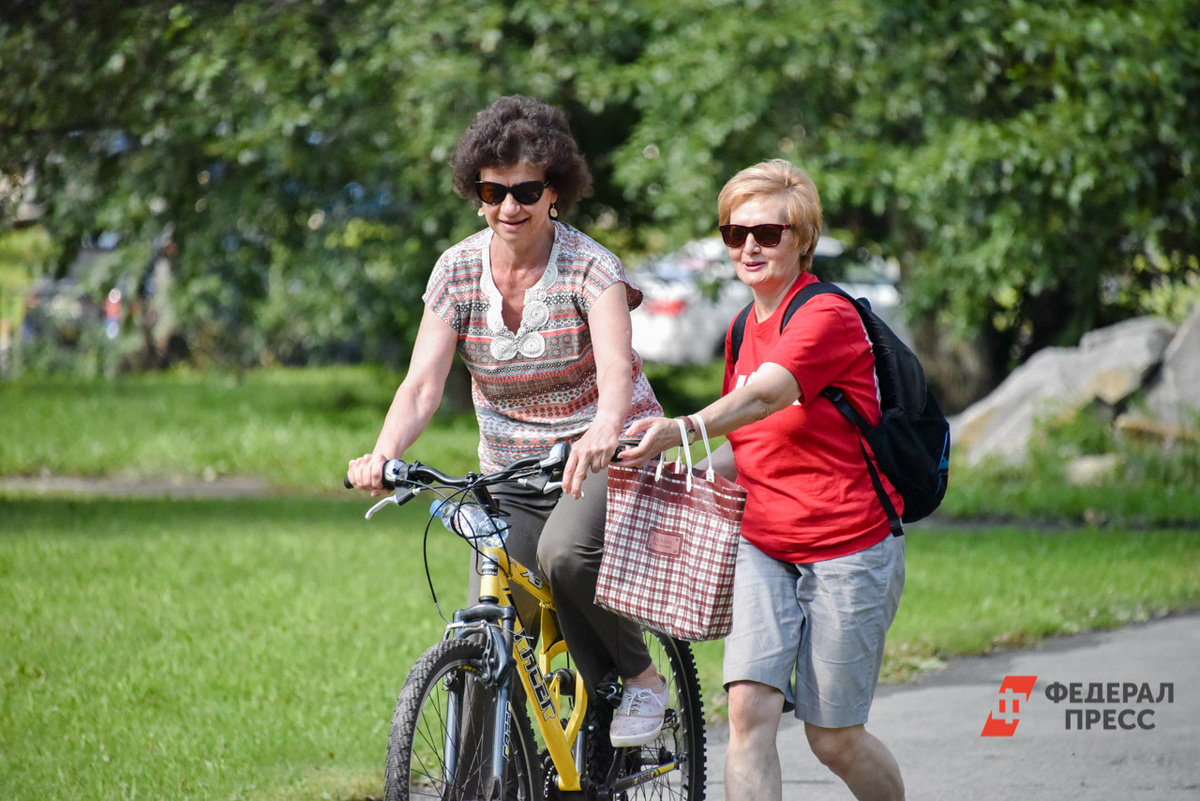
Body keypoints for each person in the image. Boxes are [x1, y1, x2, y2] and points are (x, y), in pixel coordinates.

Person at [346, 95, 669, 746]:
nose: (509, 207)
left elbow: (615, 371)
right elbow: (421, 384)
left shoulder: (590, 266)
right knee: (489, 629)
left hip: (601, 455)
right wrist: (382, 452)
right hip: (512, 471)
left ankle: (639, 676)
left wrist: (607, 426)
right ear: (476, 193)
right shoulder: (457, 271)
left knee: (564, 555)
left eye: (525, 190)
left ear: (555, 191)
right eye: (494, 191)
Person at [619, 159, 907, 799]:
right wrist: (678, 469)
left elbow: (765, 398)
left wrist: (683, 427)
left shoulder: (826, 316)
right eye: (733, 233)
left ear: (801, 239)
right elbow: (749, 444)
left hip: (848, 546)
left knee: (833, 737)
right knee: (748, 713)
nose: (748, 246)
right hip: (765, 545)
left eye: (767, 233)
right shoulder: (742, 329)